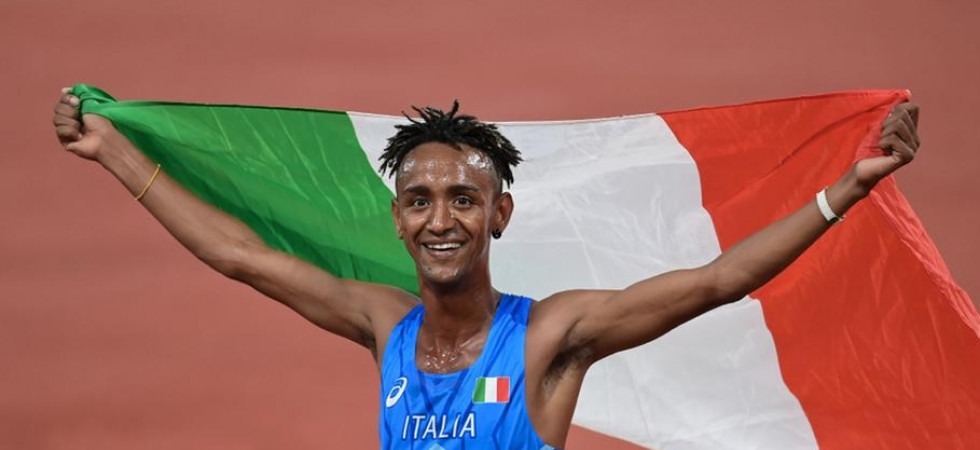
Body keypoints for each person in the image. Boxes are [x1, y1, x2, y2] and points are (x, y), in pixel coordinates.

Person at [51, 89, 920, 449]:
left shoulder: (552, 335)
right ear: (397, 219)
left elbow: (716, 281)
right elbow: (239, 256)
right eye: (420, 200)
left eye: (463, 200)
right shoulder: (382, 322)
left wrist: (846, 189)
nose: (441, 219)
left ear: (498, 215)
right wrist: (112, 151)